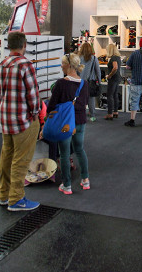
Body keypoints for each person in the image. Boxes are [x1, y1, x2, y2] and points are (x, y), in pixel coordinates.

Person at [0, 31, 41, 211]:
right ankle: (16, 199)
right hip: (24, 120)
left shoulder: (1, 65)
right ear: (24, 45)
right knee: (21, 160)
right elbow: (33, 94)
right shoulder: (25, 65)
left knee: (6, 157)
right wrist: (35, 113)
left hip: (6, 120)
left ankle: (4, 195)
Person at [47, 53, 90, 195]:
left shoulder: (61, 83)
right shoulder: (84, 83)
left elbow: (52, 105)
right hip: (80, 121)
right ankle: (85, 180)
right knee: (80, 150)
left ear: (68, 65)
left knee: (64, 154)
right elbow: (85, 103)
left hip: (65, 123)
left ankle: (67, 185)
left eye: (63, 63)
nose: (61, 66)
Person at [78, 42, 98, 122]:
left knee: (81, 99)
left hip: (80, 82)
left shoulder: (79, 58)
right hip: (90, 82)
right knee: (91, 99)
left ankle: (81, 115)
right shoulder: (94, 58)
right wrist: (99, 82)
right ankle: (92, 116)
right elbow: (98, 71)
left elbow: (77, 70)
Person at [104, 43, 122, 120]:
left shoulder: (113, 58)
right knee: (115, 95)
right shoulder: (118, 57)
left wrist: (109, 75)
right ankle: (115, 112)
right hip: (117, 78)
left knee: (109, 95)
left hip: (113, 78)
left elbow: (115, 68)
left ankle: (110, 113)